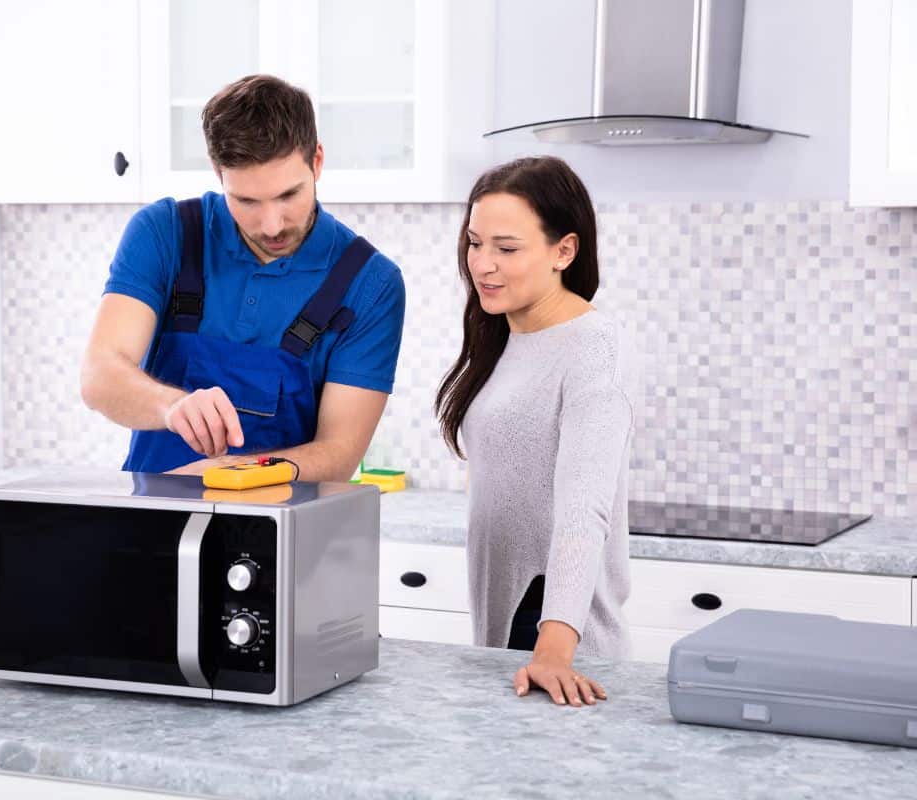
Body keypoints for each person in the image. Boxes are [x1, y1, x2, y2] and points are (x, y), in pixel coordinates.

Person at [81, 75, 405, 480]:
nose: (272, 226)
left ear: (317, 161)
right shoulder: (164, 232)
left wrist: (217, 478)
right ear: (218, 174)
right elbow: (100, 375)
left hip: (281, 535)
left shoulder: (371, 284)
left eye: (289, 195)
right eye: (247, 201)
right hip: (150, 524)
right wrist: (171, 407)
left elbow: (338, 454)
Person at [435, 156, 634, 707]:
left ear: (563, 252)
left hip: (558, 640)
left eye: (507, 248)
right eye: (475, 243)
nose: (483, 265)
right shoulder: (501, 334)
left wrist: (553, 648)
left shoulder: (595, 349)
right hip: (503, 631)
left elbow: (583, 510)